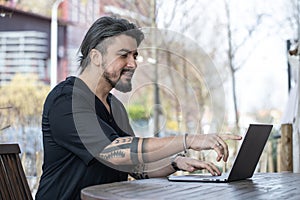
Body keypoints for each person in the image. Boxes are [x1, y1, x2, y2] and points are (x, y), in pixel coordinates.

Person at [35, 16, 242, 200]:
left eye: (135, 55)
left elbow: (134, 165)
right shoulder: (66, 100)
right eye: (124, 55)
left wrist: (175, 163)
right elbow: (116, 152)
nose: (133, 63)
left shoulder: (114, 105)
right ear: (96, 57)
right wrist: (188, 140)